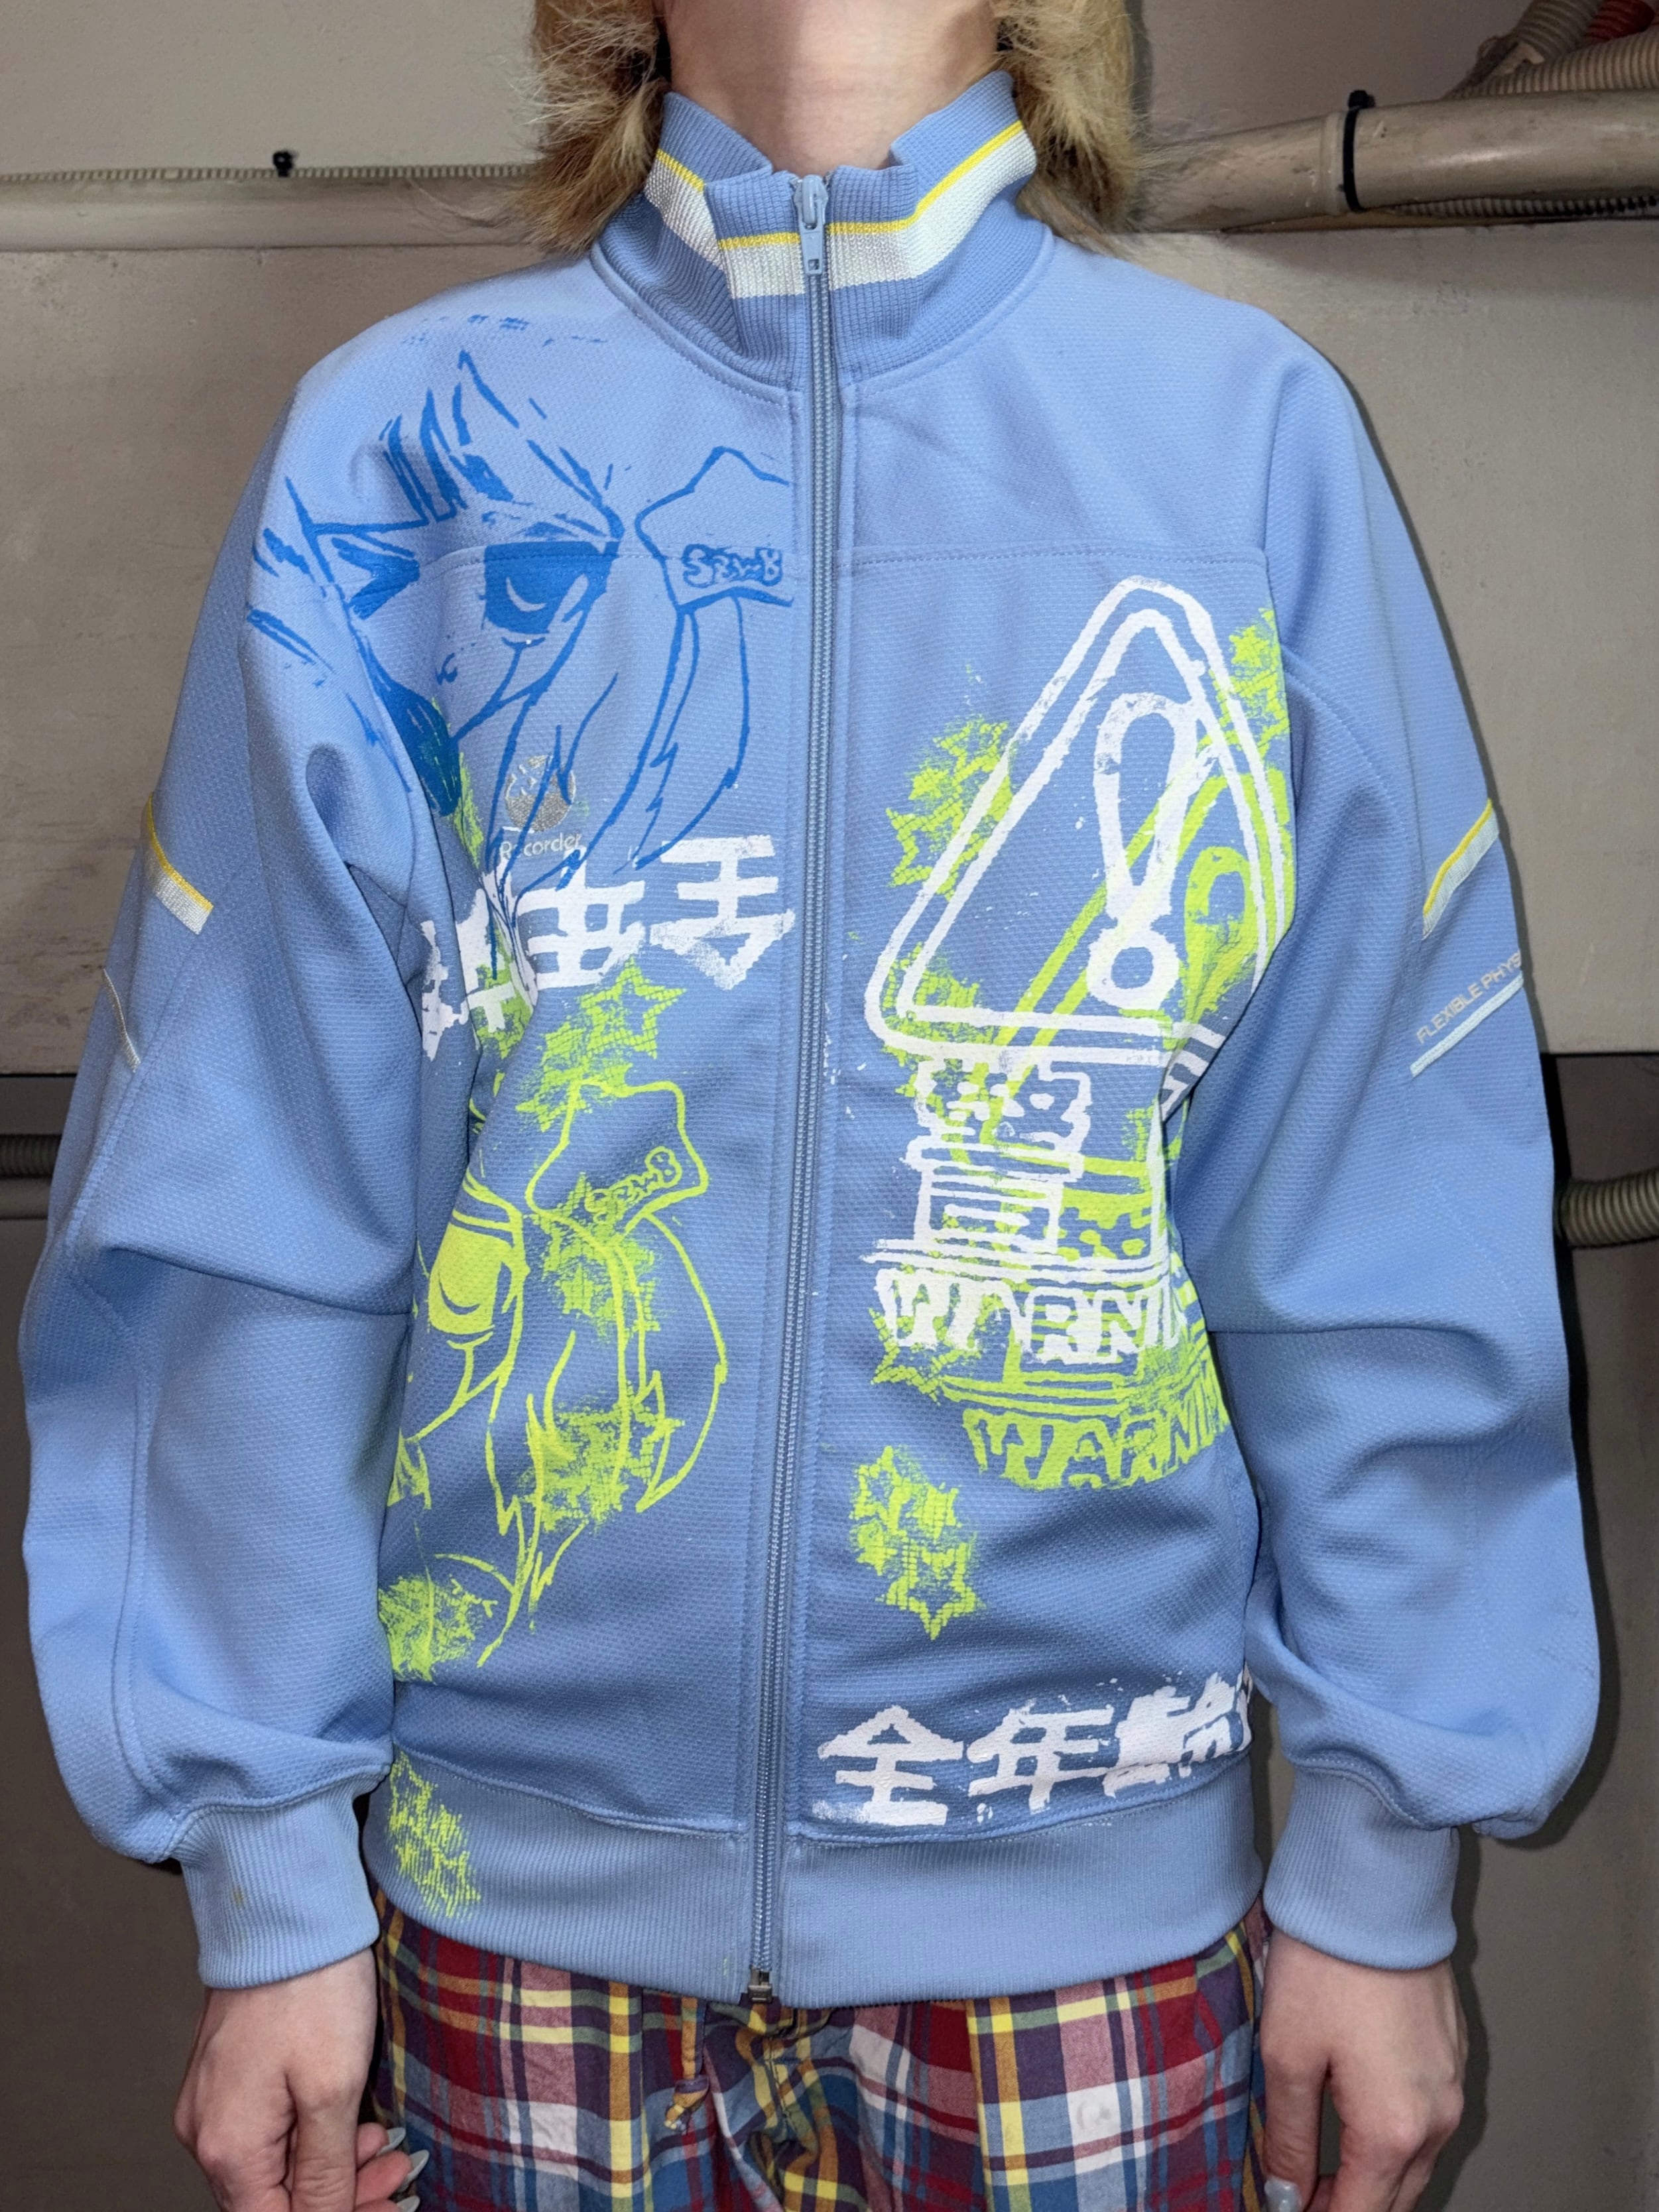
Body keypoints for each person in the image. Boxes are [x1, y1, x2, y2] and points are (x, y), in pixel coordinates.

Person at [22, 1, 1597, 2208]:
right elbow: (244, 1206)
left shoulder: (1242, 451)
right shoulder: (407, 455)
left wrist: (1380, 1854)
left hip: (1088, 1917)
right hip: (507, 1922)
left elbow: (1377, 1199)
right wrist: (269, 1873)